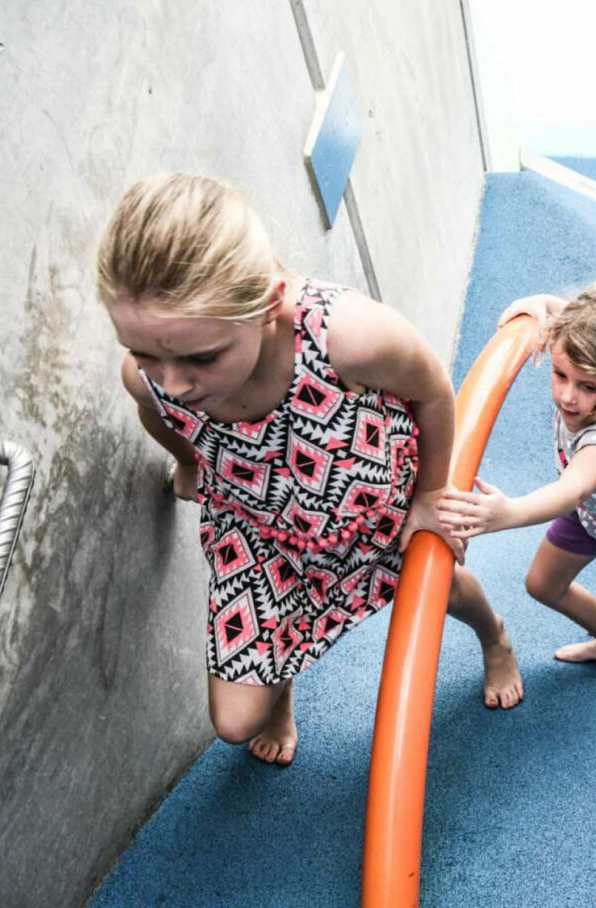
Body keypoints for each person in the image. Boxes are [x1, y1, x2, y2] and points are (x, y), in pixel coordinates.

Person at [96, 173, 523, 764]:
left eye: (201, 357)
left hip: (369, 508)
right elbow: (157, 411)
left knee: (443, 586)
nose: (173, 381)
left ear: (271, 303)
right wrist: (188, 460)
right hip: (260, 530)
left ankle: (494, 635)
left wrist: (429, 495)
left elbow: (434, 392)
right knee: (234, 722)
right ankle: (281, 684)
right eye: (146, 352)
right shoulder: (151, 378)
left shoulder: (348, 337)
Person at [437, 279, 596, 663]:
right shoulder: (583, 350)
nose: (568, 396)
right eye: (560, 375)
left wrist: (508, 513)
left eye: (588, 386)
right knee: (542, 584)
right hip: (592, 515)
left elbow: (574, 489)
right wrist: (535, 302)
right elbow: (553, 317)